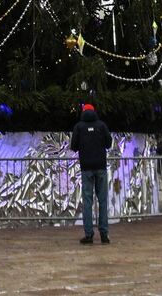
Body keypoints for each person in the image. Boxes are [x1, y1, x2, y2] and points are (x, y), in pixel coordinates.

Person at [68, 103, 114, 245]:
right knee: (103, 201)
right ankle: (104, 234)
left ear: (83, 112)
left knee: (87, 202)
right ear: (94, 111)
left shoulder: (79, 127)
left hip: (86, 168)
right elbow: (109, 143)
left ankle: (89, 235)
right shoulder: (101, 125)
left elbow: (73, 146)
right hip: (100, 166)